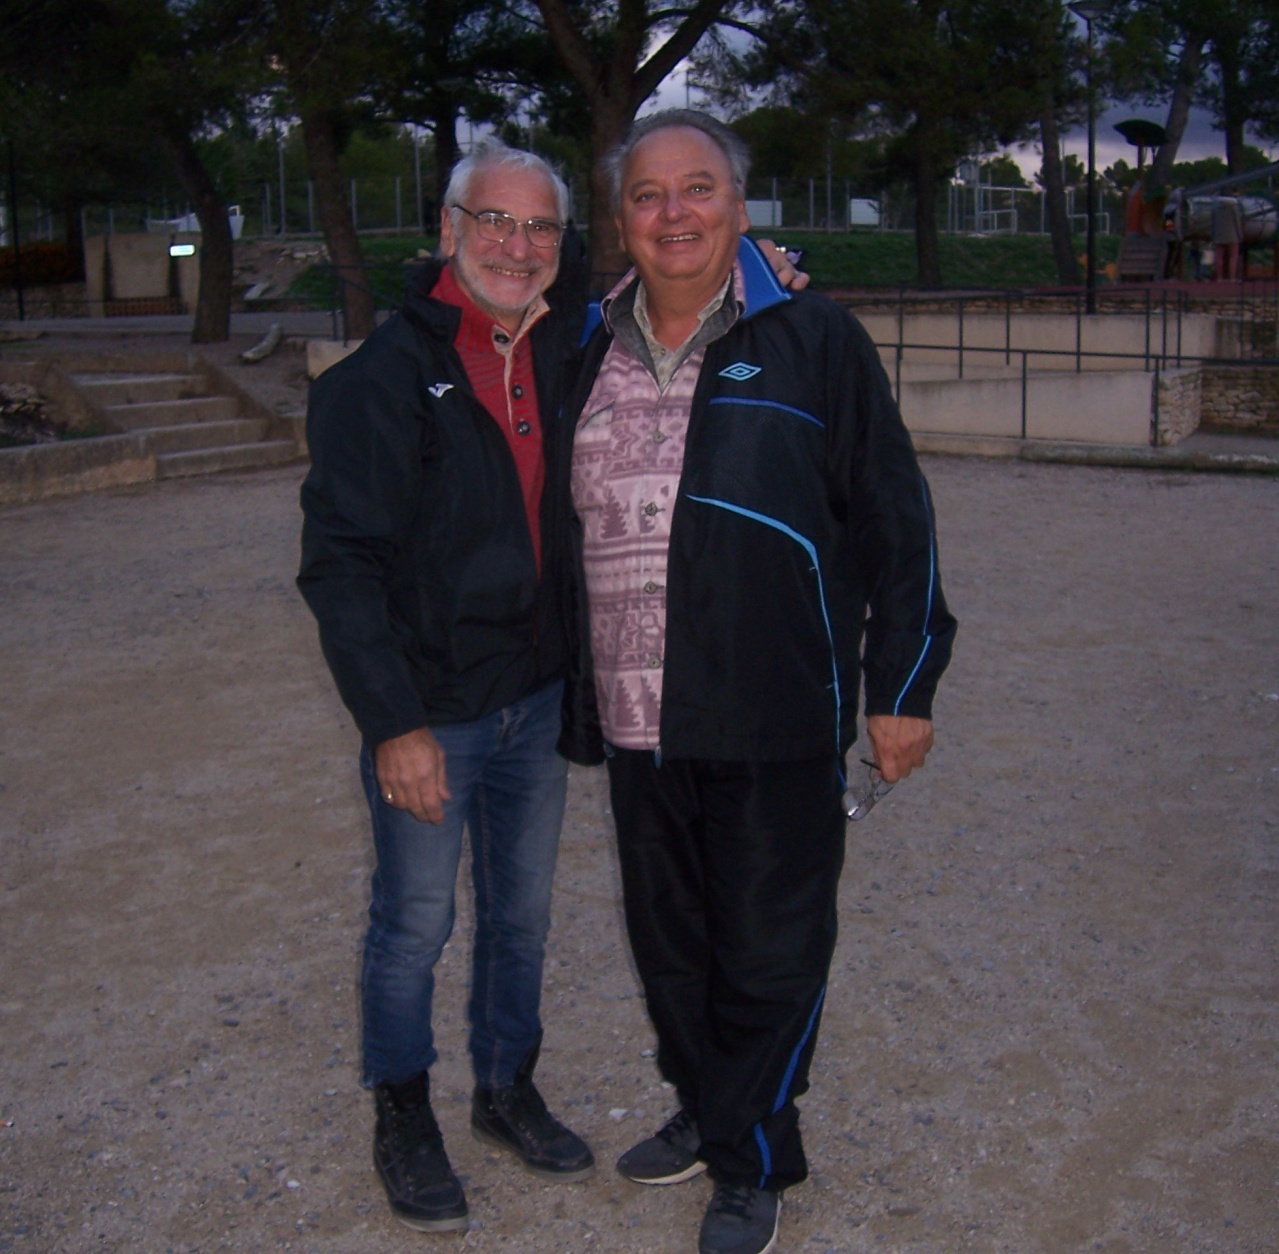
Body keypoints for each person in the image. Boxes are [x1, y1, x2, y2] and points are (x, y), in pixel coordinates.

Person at [297, 139, 806, 1236]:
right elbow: (339, 568)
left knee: (520, 922)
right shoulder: (378, 382)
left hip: (535, 698)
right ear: (448, 230)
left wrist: (766, 266)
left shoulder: (574, 344)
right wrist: (393, 724)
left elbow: (681, 279)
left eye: (539, 229)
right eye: (494, 222)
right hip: (430, 710)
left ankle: (503, 1091)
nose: (516, 246)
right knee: (413, 924)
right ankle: (402, 1113)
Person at [557, 110, 957, 1254]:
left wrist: (904, 683)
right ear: (620, 219)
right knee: (671, 941)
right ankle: (706, 1103)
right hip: (639, 717)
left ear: (740, 208)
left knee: (771, 949)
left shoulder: (814, 337)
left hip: (775, 707)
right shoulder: (583, 344)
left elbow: (895, 518)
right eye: (647, 194)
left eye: (697, 189)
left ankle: (753, 1154)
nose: (672, 212)